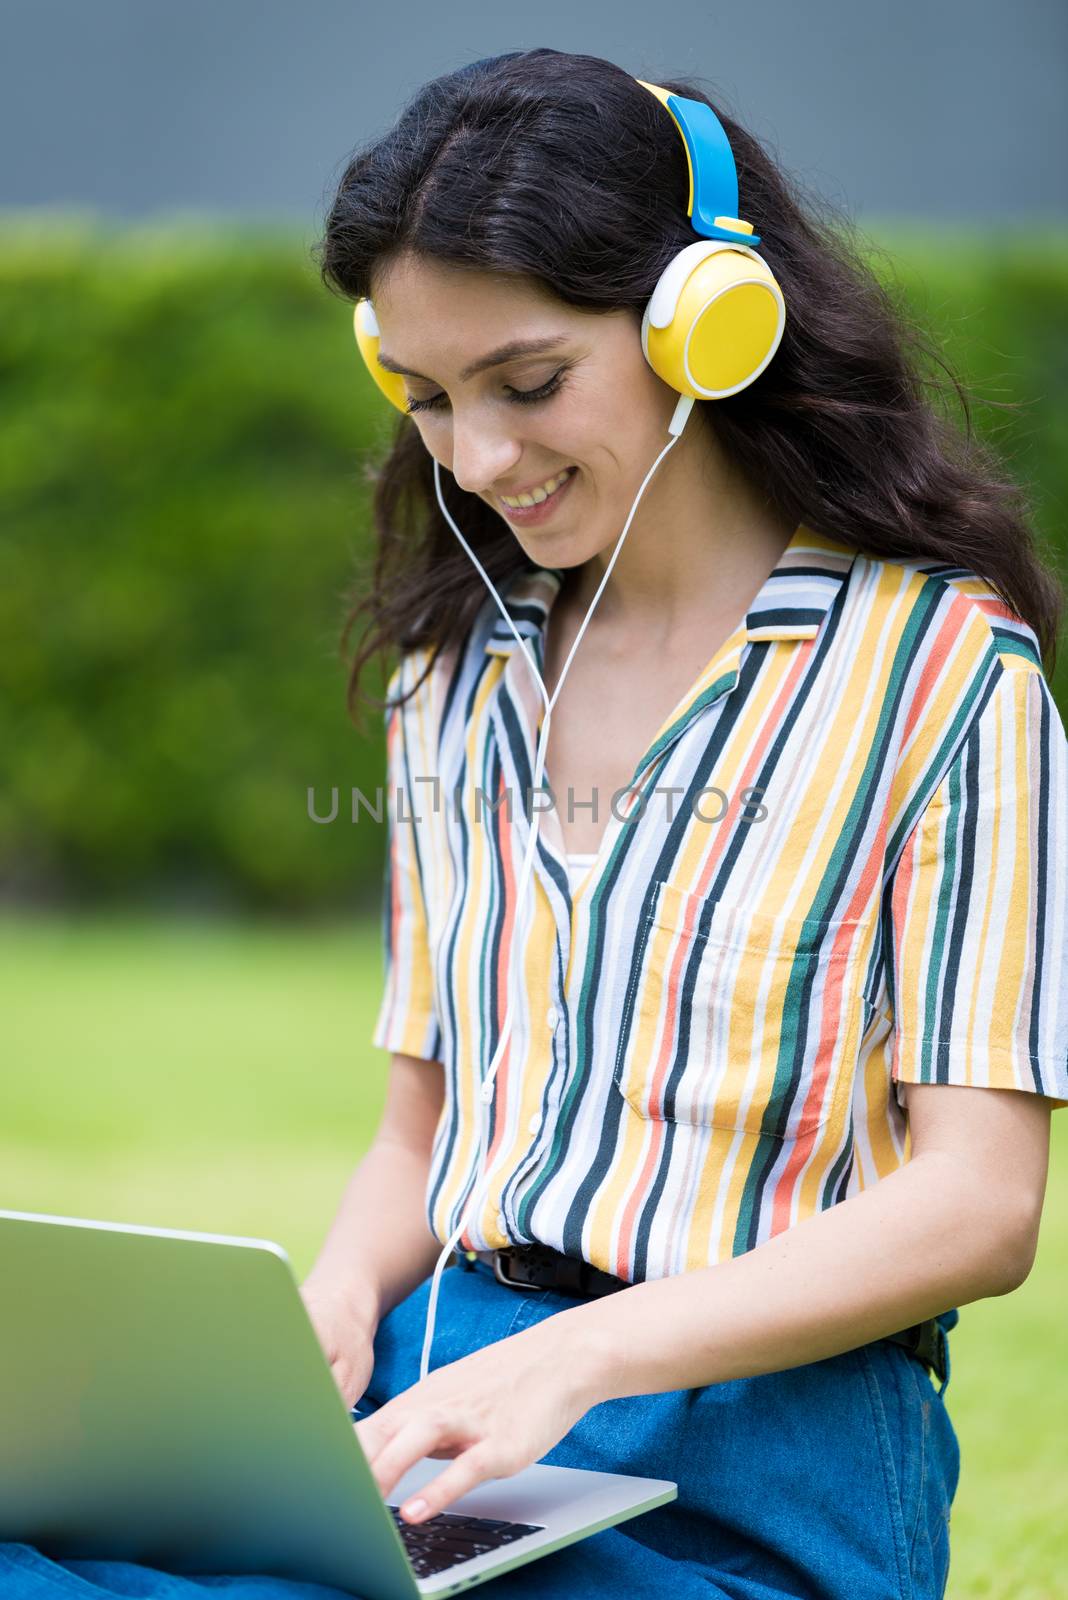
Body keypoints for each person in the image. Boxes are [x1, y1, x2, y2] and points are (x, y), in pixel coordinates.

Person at [7, 45, 1066, 1600]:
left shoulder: (943, 673)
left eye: (528, 383)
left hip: (756, 1473)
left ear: (711, 325)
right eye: (429, 398)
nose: (479, 458)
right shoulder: (452, 680)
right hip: (447, 1419)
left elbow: (980, 1206)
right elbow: (417, 1138)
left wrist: (580, 1360)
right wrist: (337, 1298)